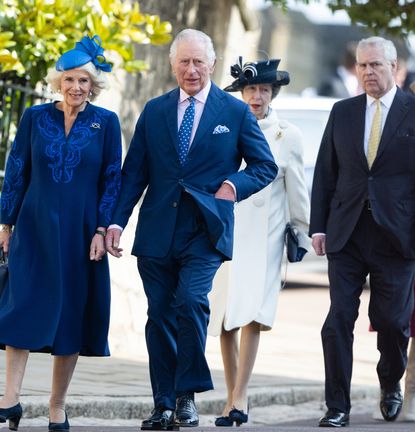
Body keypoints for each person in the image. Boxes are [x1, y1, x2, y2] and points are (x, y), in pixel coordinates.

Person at [105, 29, 278, 430]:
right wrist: (116, 220)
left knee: (191, 302)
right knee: (160, 315)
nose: (191, 69)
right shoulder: (155, 110)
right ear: (172, 65)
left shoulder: (233, 113)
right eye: (183, 61)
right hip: (157, 230)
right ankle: (163, 403)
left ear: (213, 65)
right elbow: (135, 174)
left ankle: (186, 396)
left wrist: (234, 186)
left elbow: (264, 166)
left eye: (199, 61)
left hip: (205, 230)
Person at [0, 35, 121, 431]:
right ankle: (10, 400)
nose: (76, 88)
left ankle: (57, 406)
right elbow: (18, 170)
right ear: (58, 82)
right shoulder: (35, 118)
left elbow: (111, 179)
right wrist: (6, 223)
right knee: (20, 309)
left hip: (81, 233)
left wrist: (102, 229)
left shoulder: (106, 123)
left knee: (70, 316)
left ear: (94, 85)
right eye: (69, 80)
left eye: (84, 81)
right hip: (33, 228)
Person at [310, 36, 415, 428]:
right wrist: (318, 226)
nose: (368, 72)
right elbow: (325, 173)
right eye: (362, 65)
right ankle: (337, 406)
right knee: (338, 320)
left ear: (395, 68)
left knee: (391, 321)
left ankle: (390, 382)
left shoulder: (412, 111)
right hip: (347, 233)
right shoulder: (343, 112)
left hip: (397, 236)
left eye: (376, 65)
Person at [208, 57, 310, 427]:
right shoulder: (224, 127)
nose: (257, 96)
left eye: (264, 89)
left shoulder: (289, 135)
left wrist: (302, 229)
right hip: (228, 230)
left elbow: (296, 189)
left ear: (273, 94)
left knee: (253, 314)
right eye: (251, 89)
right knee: (224, 316)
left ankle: (240, 396)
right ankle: (231, 393)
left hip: (266, 236)